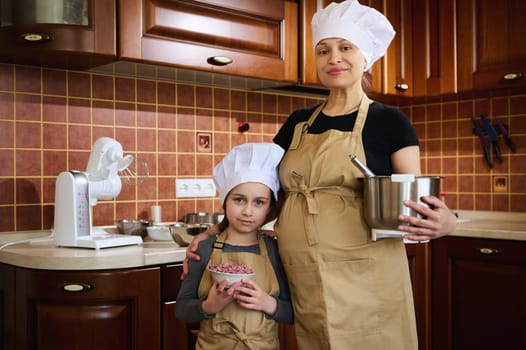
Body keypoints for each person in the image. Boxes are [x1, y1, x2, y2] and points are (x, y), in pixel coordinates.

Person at [184, 1, 457, 349]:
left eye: (346, 48)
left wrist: (448, 222)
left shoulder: (390, 122)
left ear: (365, 57)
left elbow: (415, 197)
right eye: (324, 50)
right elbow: (266, 193)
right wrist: (214, 231)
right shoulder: (297, 122)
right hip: (305, 272)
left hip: (367, 274)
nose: (334, 58)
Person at [175, 142, 293, 349]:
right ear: (225, 202)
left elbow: (293, 313)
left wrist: (270, 304)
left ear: (269, 208)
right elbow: (182, 309)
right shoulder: (205, 249)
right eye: (239, 200)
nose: (248, 211)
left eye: (259, 202)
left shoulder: (274, 249)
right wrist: (209, 306)